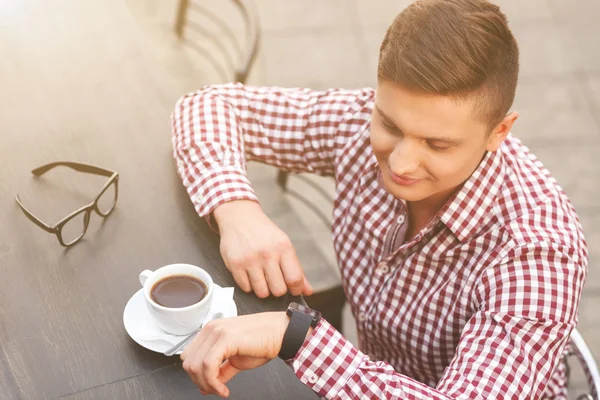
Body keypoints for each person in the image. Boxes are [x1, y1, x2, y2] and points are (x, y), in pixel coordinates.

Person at [170, 0, 588, 398]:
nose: (401, 163)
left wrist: (295, 336)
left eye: (437, 145)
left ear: (499, 131)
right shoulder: (358, 119)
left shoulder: (539, 253)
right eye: (389, 123)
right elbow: (207, 105)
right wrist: (238, 210)